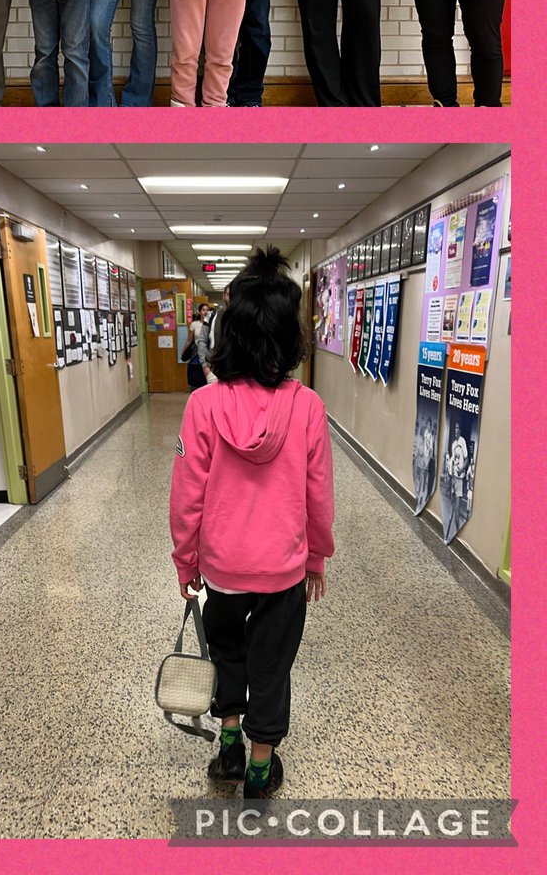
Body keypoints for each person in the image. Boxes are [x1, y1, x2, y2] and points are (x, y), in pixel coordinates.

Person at [170, 247, 334, 799]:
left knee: (228, 653)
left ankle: (229, 747)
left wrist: (185, 559)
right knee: (272, 663)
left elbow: (187, 493)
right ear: (289, 338)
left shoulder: (202, 405)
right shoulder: (307, 405)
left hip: (222, 567)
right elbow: (318, 494)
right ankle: (261, 769)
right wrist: (316, 556)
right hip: (283, 568)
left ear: (229, 333)